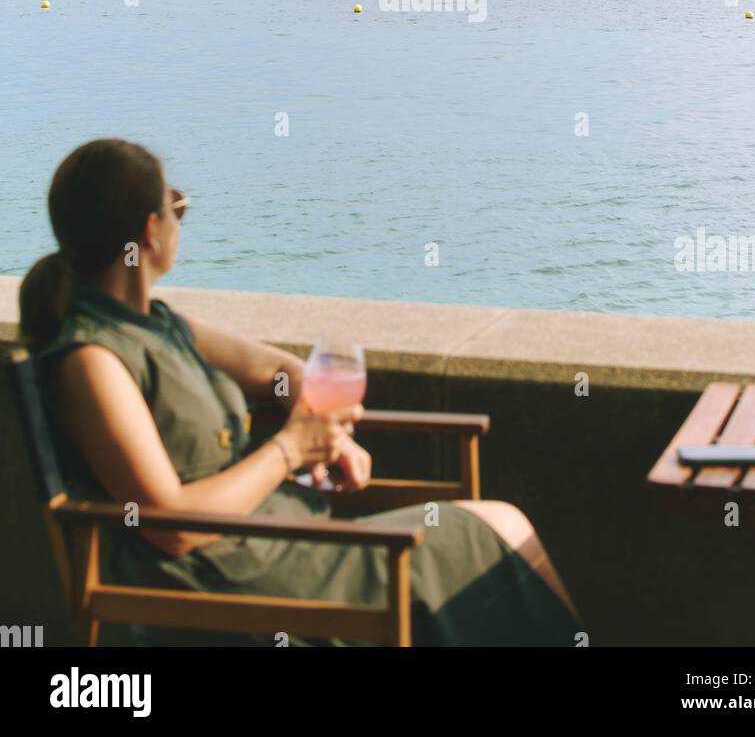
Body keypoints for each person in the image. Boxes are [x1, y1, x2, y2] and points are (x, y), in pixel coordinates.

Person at [18, 139, 579, 647]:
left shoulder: (161, 325)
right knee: (496, 529)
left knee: (500, 527)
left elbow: (280, 370)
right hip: (218, 577)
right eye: (177, 208)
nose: (179, 222)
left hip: (275, 536)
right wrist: (289, 449)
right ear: (151, 231)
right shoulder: (93, 360)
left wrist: (326, 437)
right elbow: (172, 526)